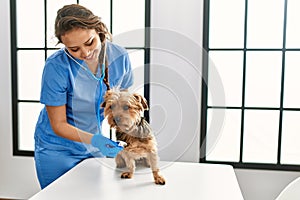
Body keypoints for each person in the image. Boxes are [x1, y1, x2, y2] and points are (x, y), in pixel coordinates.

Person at [34, 4, 133, 189]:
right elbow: (58, 124)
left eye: (89, 42)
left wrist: (130, 140)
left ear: (99, 30)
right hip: (57, 149)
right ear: (64, 46)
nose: (85, 53)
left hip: (94, 147)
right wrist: (97, 140)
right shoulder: (56, 66)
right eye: (74, 49)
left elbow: (123, 106)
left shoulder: (119, 56)